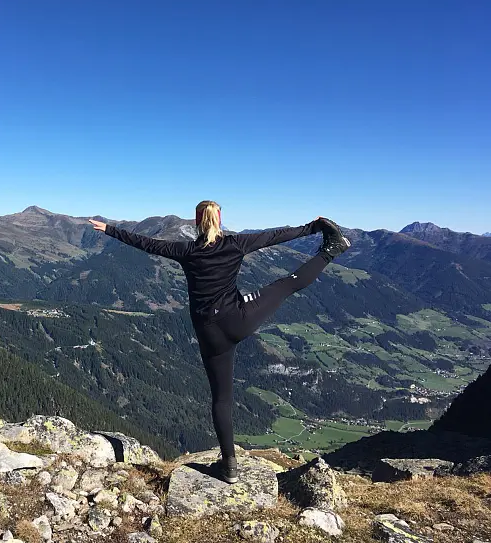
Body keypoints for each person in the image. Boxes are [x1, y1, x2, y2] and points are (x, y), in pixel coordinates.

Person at [88, 201, 351, 484]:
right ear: (220, 220)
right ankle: (330, 251)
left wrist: (111, 230)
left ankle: (229, 467)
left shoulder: (186, 251)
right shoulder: (236, 244)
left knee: (221, 399)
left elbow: (147, 244)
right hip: (240, 319)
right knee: (287, 284)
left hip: (210, 334)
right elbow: (275, 236)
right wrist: (313, 227)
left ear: (196, 222)